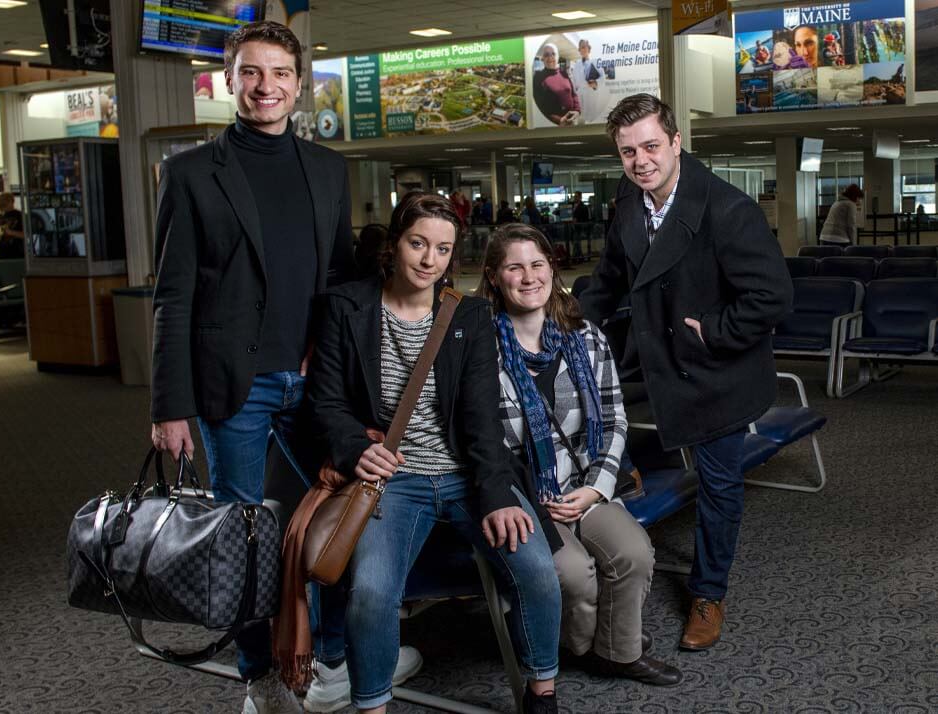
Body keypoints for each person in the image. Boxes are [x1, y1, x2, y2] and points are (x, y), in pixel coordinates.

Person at [150, 20, 357, 714]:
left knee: (331, 523)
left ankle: (326, 657)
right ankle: (259, 676)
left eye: (279, 75)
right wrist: (168, 406)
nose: (265, 87)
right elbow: (172, 296)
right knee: (241, 537)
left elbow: (342, 283)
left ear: (299, 87)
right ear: (229, 80)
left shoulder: (329, 170)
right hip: (233, 386)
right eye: (250, 73)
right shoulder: (190, 174)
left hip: (315, 385)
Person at [305, 192, 562, 714]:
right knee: (373, 593)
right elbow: (325, 401)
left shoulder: (469, 317)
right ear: (394, 244)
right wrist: (356, 448)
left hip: (468, 474)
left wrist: (497, 495)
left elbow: (483, 421)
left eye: (443, 250)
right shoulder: (346, 307)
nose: (429, 260)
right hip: (392, 479)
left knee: (536, 569)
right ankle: (371, 706)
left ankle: (542, 694)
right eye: (418, 244)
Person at [579, 94, 792, 652]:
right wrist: (566, 321)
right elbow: (609, 277)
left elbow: (773, 298)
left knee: (719, 487)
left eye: (651, 146)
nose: (640, 160)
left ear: (676, 142)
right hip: (656, 361)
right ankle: (623, 479)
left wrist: (712, 331)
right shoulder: (629, 199)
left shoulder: (727, 208)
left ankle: (709, 592)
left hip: (715, 370)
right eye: (627, 151)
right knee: (591, 409)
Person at [478, 223, 682, 686]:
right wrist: (526, 497)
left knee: (633, 553)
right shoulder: (479, 350)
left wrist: (597, 488)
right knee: (573, 574)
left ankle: (618, 652)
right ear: (493, 277)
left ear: (553, 267)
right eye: (514, 267)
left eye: (537, 264)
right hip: (525, 498)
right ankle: (595, 649)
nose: (529, 277)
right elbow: (484, 443)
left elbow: (613, 419)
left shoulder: (585, 337)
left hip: (584, 483)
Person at [533, 43, 580, 126]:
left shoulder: (564, 73)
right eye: (546, 54)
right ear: (543, 58)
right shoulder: (538, 77)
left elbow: (574, 94)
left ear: (557, 56)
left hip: (572, 120)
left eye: (553, 54)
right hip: (554, 124)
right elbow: (538, 106)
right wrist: (559, 120)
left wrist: (577, 110)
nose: (550, 57)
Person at [0, 192, 25, 259]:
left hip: (18, 254)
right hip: (2, 255)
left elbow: (27, 235)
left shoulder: (20, 215)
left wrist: (10, 232)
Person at [570, 39, 600, 122]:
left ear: (589, 48)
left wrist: (596, 84)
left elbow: (603, 80)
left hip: (591, 96)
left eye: (584, 47)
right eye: (580, 48)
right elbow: (573, 83)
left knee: (591, 121)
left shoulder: (596, 62)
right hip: (580, 97)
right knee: (580, 121)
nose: (582, 50)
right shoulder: (576, 65)